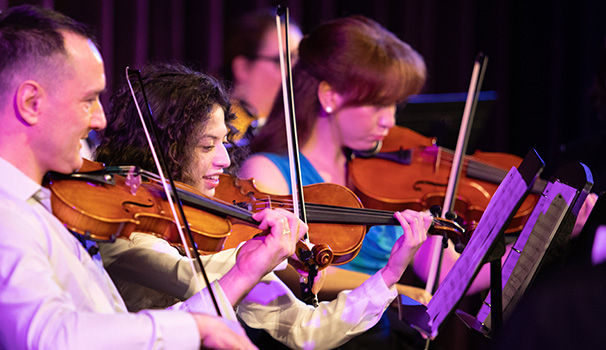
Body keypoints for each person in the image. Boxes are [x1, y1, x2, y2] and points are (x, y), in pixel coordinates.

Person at [0, 5, 310, 349]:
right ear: (31, 102)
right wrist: (194, 329)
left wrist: (245, 270)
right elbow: (53, 338)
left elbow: (117, 333)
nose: (100, 119)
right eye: (87, 99)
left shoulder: (40, 206)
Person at [95, 62, 432, 349]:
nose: (225, 160)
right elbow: (195, 280)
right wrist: (265, 256)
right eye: (206, 146)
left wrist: (390, 273)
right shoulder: (121, 231)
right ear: (164, 147)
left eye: (224, 142)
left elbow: (307, 329)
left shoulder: (209, 231)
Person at [238, 15, 433, 349]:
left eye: (394, 104)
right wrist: (392, 286)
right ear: (329, 95)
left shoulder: (384, 175)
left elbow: (440, 267)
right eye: (377, 104)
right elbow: (279, 268)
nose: (390, 120)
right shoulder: (267, 172)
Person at [222, 9, 303, 143]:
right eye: (283, 59)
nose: (296, 69)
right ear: (242, 68)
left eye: (299, 60)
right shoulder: (221, 132)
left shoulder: (296, 129)